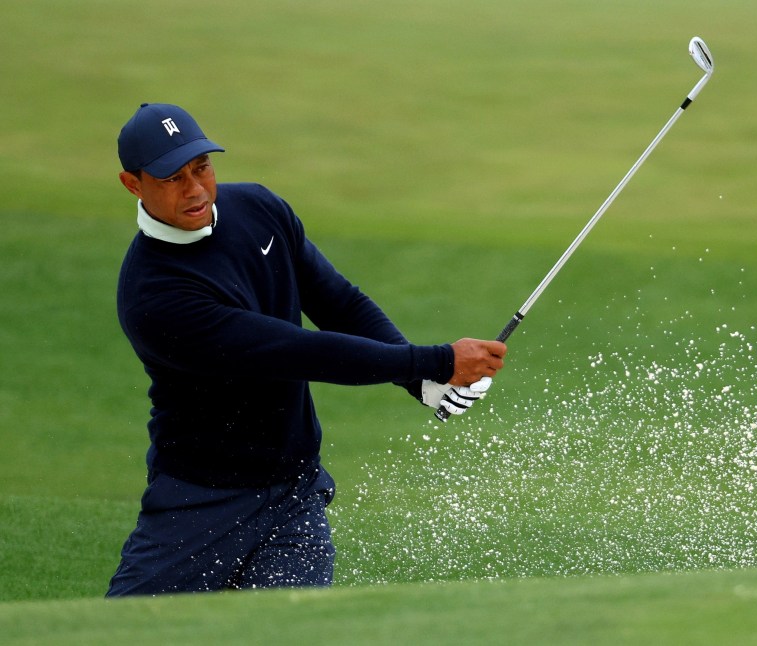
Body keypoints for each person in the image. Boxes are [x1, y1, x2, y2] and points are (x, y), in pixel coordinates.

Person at [106, 103, 506, 596]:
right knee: (122, 629)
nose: (194, 189)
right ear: (133, 184)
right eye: (172, 178)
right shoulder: (155, 296)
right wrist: (437, 361)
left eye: (202, 168)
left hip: (294, 494)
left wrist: (417, 379)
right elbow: (299, 351)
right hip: (199, 503)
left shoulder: (259, 209)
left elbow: (337, 301)